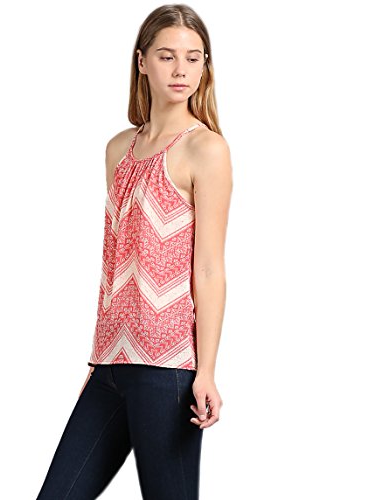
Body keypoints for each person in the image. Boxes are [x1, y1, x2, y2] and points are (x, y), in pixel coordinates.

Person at [36, 4, 232, 499]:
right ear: (142, 62)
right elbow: (115, 261)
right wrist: (98, 357)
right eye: (167, 56)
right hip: (109, 364)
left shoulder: (205, 150)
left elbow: (209, 268)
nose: (181, 69)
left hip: (168, 367)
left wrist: (206, 370)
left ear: (204, 66)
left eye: (193, 58)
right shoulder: (118, 149)